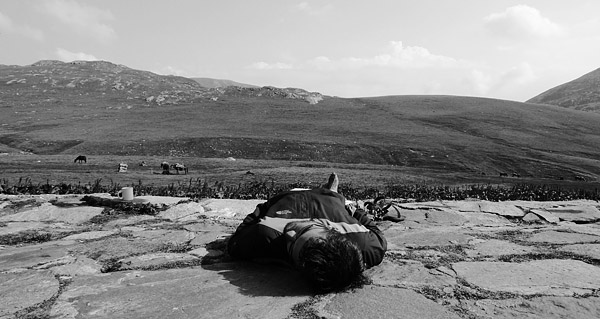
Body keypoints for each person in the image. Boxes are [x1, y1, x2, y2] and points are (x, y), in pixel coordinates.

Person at [227, 173, 387, 293]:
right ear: (333, 231)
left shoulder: (265, 236)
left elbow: (240, 234)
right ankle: (331, 192)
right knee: (336, 199)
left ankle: (329, 194)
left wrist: (266, 206)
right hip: (330, 201)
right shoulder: (366, 244)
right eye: (305, 230)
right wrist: (355, 212)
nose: (289, 234)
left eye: (292, 246)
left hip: (290, 197)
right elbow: (375, 232)